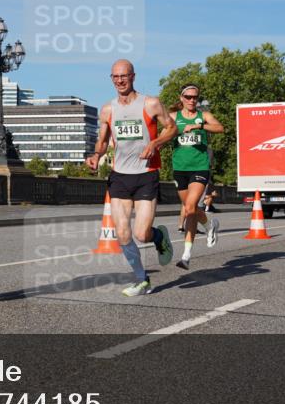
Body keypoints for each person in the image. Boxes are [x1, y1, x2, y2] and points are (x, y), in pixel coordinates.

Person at [85, 59, 176, 296]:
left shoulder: (151, 103)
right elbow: (103, 141)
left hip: (146, 174)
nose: (120, 81)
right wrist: (96, 155)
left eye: (124, 76)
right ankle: (141, 278)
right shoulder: (108, 109)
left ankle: (158, 236)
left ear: (133, 76)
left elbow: (172, 127)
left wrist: (155, 143)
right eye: (115, 77)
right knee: (122, 232)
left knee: (140, 233)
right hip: (120, 176)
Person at [168, 84, 223, 269]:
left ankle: (186, 255)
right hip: (179, 168)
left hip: (199, 167)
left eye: (195, 97)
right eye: (189, 97)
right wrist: (171, 134)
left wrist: (199, 125)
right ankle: (210, 225)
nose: (192, 100)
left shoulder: (203, 115)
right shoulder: (174, 117)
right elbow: (163, 135)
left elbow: (219, 127)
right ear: (182, 98)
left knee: (191, 207)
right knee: (189, 208)